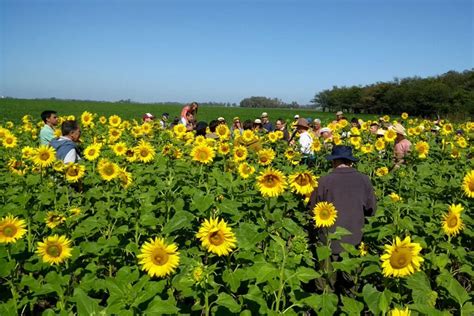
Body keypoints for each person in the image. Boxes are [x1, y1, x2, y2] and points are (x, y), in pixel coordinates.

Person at [307, 145, 376, 293]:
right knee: (351, 287)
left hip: (328, 242)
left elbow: (312, 210)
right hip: (354, 242)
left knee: (325, 287)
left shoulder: (324, 180)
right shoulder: (364, 180)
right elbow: (371, 211)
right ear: (351, 162)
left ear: (333, 161)